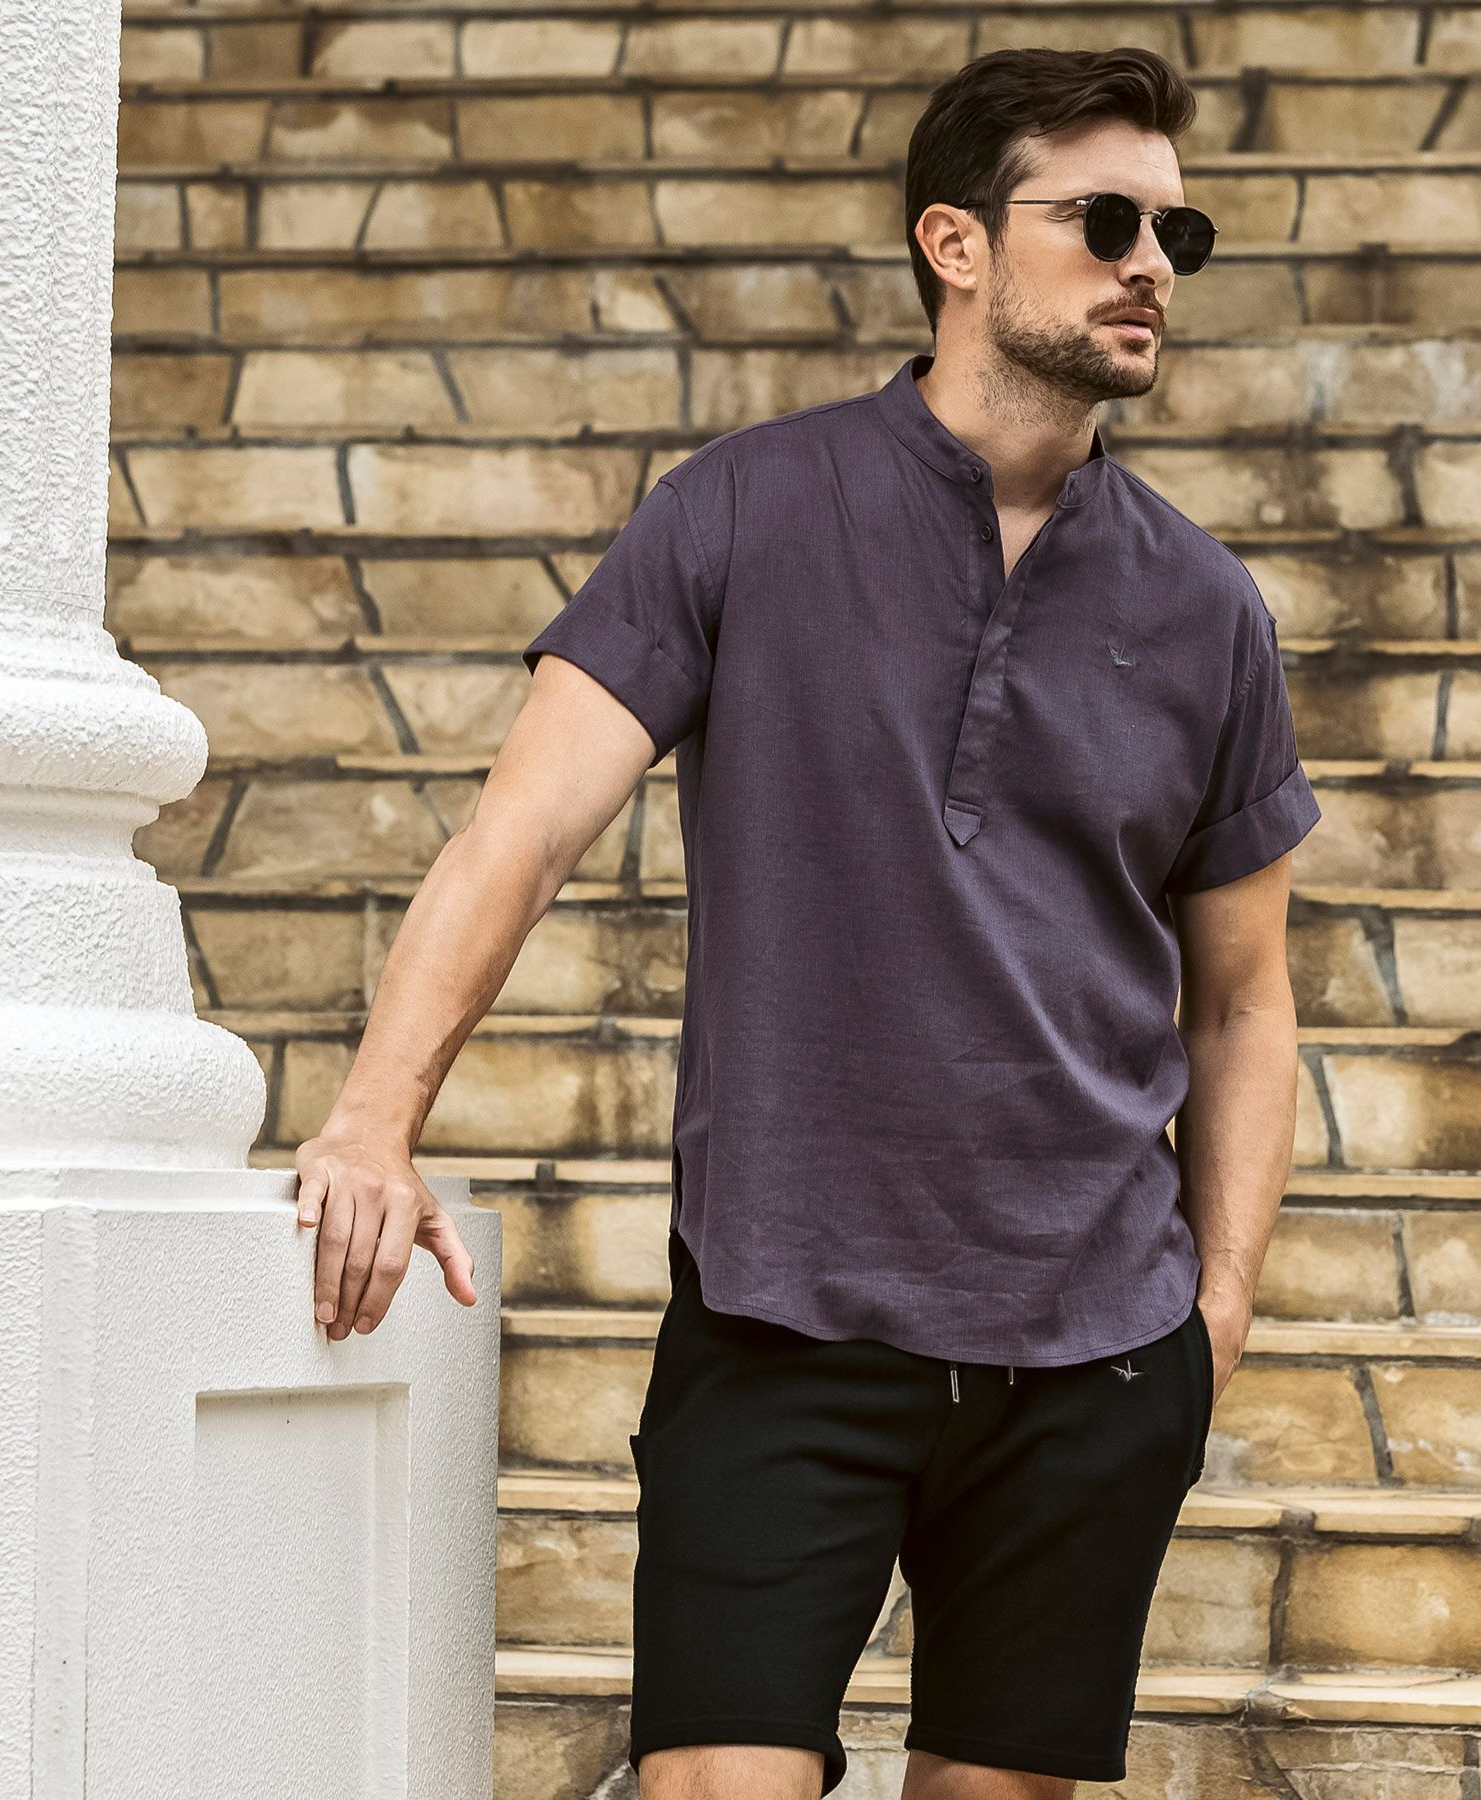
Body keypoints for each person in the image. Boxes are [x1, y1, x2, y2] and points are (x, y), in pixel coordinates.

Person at [292, 43, 1321, 1800]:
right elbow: (521, 834)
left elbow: (1243, 1004)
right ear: (955, 243)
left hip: (1096, 1347)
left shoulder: (1209, 606)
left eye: (1178, 232)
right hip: (784, 1313)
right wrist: (373, 1120)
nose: (1154, 263)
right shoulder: (740, 509)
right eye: (1106, 222)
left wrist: (1211, 1319)